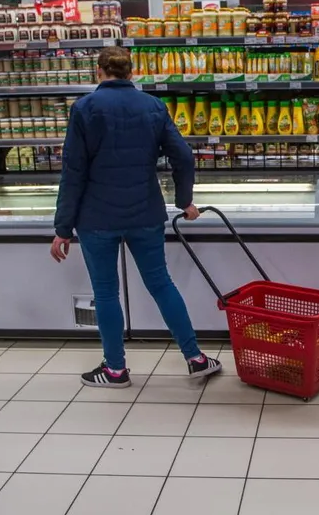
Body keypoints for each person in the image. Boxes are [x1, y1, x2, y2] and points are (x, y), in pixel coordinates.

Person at [51, 46, 221, 387]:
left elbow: (73, 171)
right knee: (161, 283)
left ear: (98, 72)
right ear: (131, 74)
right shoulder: (153, 106)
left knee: (106, 292)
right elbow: (184, 157)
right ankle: (196, 358)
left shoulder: (84, 109)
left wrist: (63, 228)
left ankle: (115, 370)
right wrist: (184, 201)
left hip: (96, 217)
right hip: (145, 212)